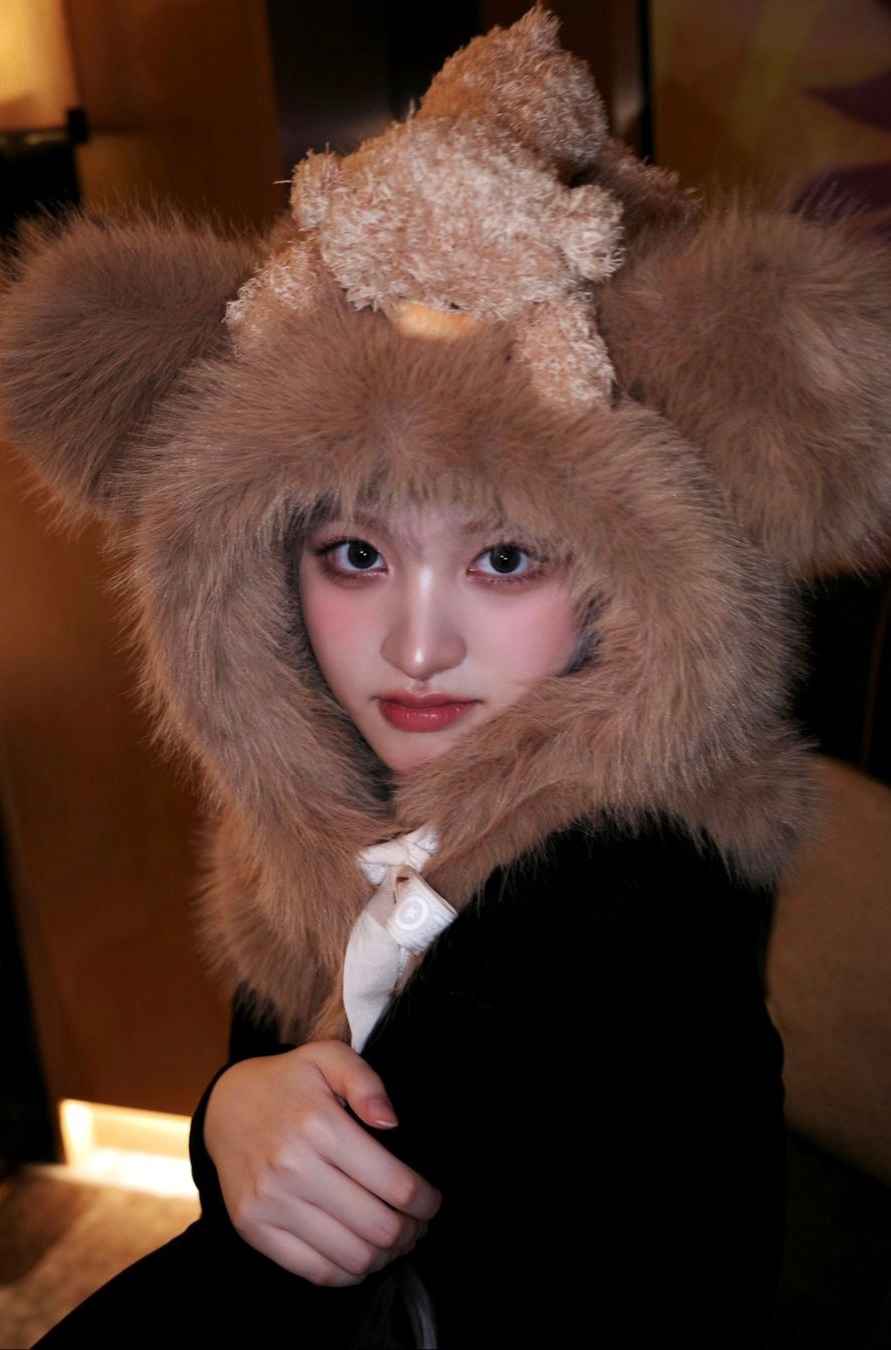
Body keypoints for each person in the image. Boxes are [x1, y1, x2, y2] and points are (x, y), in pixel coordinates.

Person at [3, 10, 890, 1348]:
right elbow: (281, 1119)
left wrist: (230, 1133)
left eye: (506, 557)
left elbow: (277, 1266)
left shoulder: (618, 896)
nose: (416, 649)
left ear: (633, 577)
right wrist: (234, 1110)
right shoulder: (330, 820)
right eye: (356, 554)